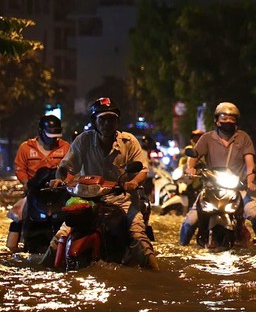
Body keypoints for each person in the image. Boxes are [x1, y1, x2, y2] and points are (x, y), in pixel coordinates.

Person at [51, 97, 158, 269]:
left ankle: (156, 274)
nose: (107, 124)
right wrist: (60, 179)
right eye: (102, 119)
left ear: (117, 121)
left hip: (122, 200)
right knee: (60, 236)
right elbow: (65, 167)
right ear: (94, 122)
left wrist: (133, 182)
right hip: (87, 200)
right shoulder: (83, 140)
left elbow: (142, 170)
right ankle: (43, 269)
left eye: (111, 119)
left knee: (138, 236)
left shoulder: (129, 142)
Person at [179, 102, 256, 245]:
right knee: (190, 222)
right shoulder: (206, 138)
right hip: (210, 189)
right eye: (224, 118)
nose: (228, 121)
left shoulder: (243, 138)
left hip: (237, 189)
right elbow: (193, 156)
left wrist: (250, 180)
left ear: (236, 121)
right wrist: (190, 168)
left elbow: (250, 163)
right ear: (216, 120)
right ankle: (182, 248)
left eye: (232, 118)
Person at [5, 115, 70, 252]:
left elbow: (72, 169)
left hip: (59, 195)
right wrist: (26, 183)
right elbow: (20, 168)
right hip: (34, 194)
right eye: (50, 136)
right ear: (41, 132)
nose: (53, 139)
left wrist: (65, 181)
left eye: (56, 136)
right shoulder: (25, 148)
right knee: (17, 217)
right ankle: (12, 249)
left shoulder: (65, 147)